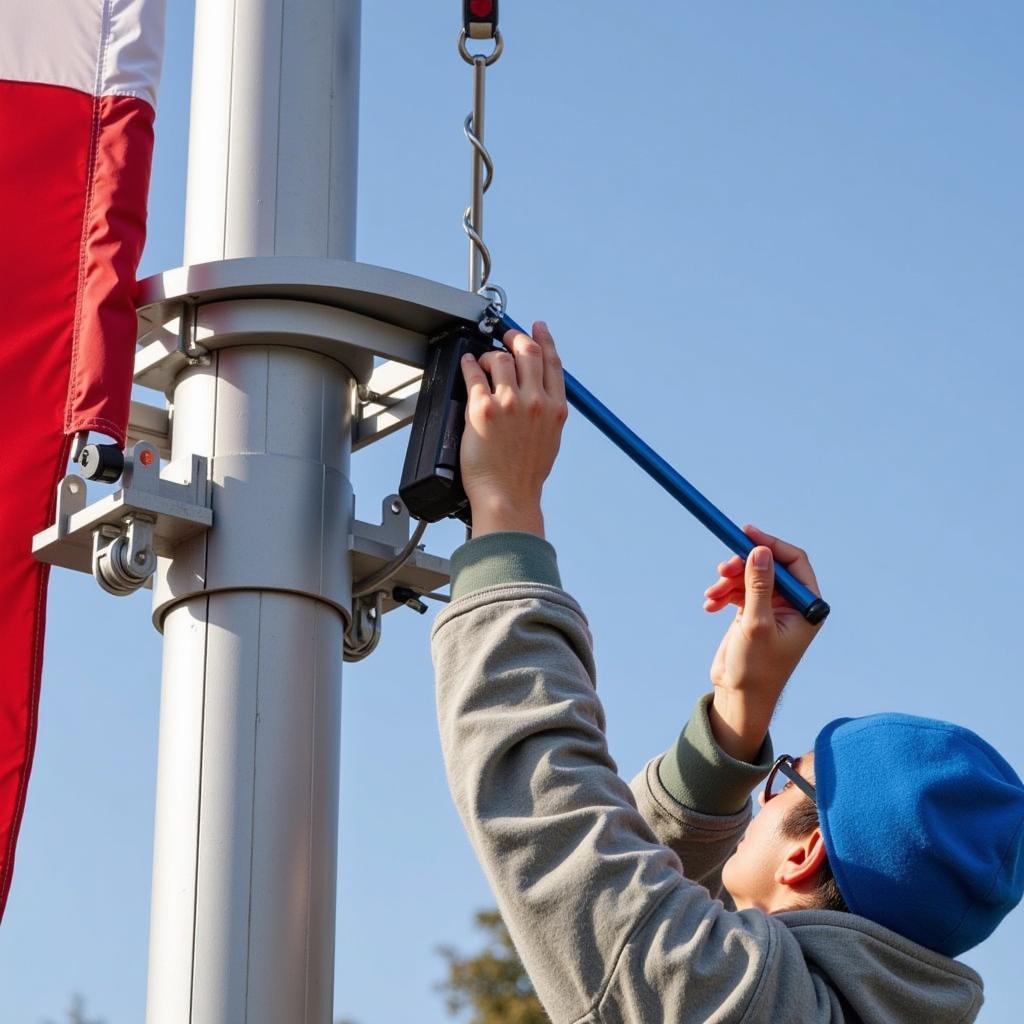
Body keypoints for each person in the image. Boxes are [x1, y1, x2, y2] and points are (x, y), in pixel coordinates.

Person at [430, 322, 1024, 1023]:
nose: (760, 794)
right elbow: (638, 915)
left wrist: (505, 505)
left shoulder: (741, 1002)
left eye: (783, 780)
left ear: (807, 853)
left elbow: (554, 819)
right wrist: (739, 711)